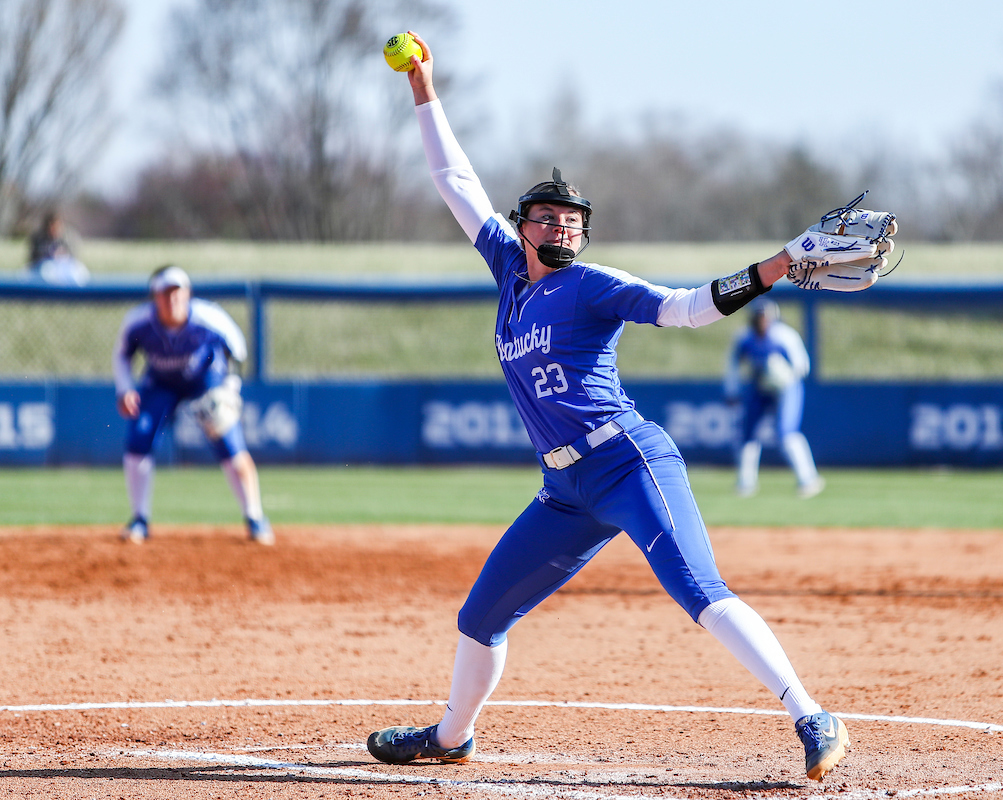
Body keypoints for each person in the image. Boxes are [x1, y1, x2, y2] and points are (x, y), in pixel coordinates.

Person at [361, 33, 894, 783]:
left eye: (573, 219)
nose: (562, 227)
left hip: (627, 459)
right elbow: (452, 178)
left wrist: (775, 267)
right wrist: (422, 86)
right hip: (563, 491)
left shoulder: (594, 284)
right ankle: (451, 736)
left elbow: (684, 309)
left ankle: (812, 714)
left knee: (697, 590)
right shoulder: (510, 271)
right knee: (480, 617)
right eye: (547, 217)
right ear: (523, 228)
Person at [112, 265, 273, 546]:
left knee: (230, 444)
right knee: (139, 439)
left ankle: (255, 518)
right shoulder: (138, 322)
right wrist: (125, 388)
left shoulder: (208, 318)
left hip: (205, 379)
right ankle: (140, 519)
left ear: (188, 294)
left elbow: (238, 349)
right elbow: (122, 355)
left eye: (178, 292)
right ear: (154, 297)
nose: (172, 299)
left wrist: (230, 386)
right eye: (165, 293)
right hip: (160, 381)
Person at [725, 298, 824, 498]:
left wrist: (781, 373)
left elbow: (802, 366)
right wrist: (731, 391)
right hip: (759, 386)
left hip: (785, 388)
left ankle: (808, 479)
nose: (762, 321)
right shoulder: (744, 338)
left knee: (786, 433)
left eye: (765, 317)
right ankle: (746, 483)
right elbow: (732, 366)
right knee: (748, 434)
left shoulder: (784, 337)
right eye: (758, 317)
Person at [27, 210, 90, 286]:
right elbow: (33, 258)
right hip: (44, 266)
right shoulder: (38, 237)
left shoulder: (68, 236)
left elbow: (74, 256)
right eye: (51, 225)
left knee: (80, 274)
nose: (53, 228)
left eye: (56, 225)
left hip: (65, 266)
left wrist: (63, 254)